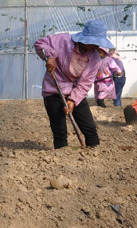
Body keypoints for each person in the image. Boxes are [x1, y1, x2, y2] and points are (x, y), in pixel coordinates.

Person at [34, 19, 112, 148]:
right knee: (60, 131)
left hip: (76, 91)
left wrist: (73, 100)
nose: (96, 47)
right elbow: (40, 43)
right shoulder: (63, 41)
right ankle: (62, 157)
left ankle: (94, 153)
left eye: (99, 43)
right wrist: (51, 56)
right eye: (94, 43)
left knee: (90, 129)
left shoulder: (95, 58)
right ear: (85, 38)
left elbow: (85, 84)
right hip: (53, 90)